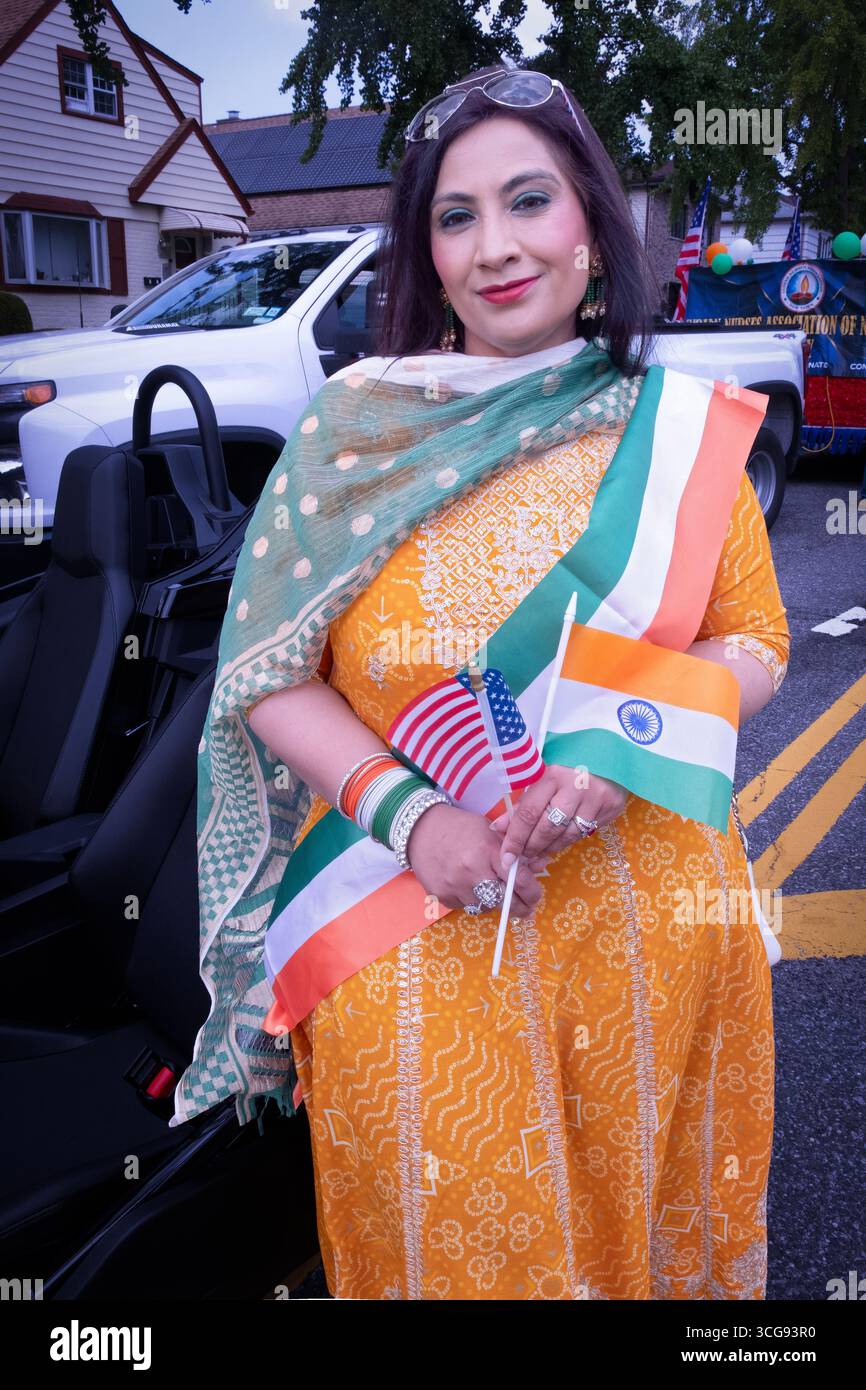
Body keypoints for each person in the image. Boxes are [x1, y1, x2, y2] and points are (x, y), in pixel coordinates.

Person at [170, 63, 791, 1301]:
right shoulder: (350, 436)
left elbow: (758, 642)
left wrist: (625, 735)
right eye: (456, 216)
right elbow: (270, 680)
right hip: (417, 947)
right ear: (424, 250)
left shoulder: (673, 427)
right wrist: (416, 818)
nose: (496, 247)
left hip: (651, 939)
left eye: (529, 201)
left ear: (591, 228)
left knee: (645, 1248)